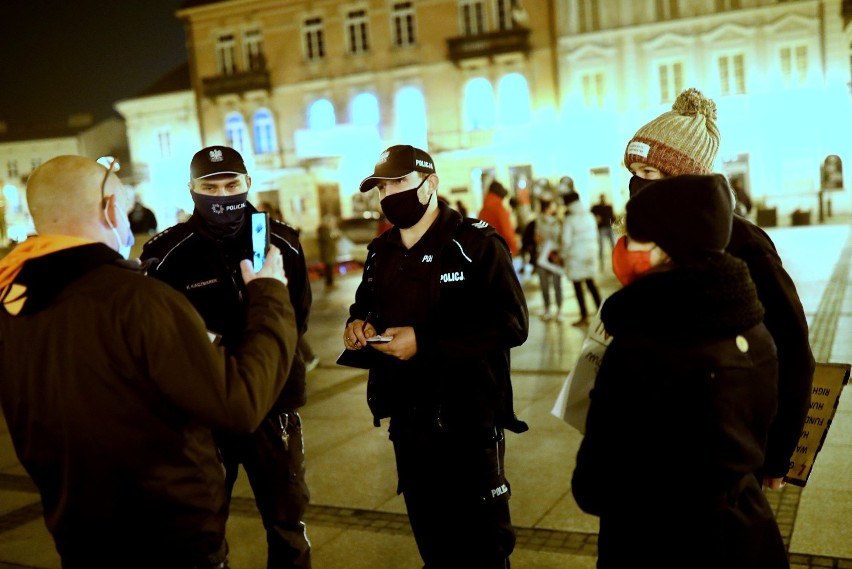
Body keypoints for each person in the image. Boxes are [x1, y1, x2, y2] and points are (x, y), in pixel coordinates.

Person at [0, 155, 297, 568]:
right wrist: (269, 296)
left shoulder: (12, 303)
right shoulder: (136, 299)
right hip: (167, 537)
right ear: (109, 208)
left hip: (78, 533)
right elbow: (239, 402)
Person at [572, 173, 789, 568]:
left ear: (668, 248)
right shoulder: (753, 328)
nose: (624, 248)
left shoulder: (642, 346)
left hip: (659, 543)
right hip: (746, 533)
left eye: (635, 237)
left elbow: (595, 486)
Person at [341, 144, 529, 568]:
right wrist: (360, 325)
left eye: (400, 182)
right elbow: (365, 305)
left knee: (484, 548)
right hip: (409, 424)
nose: (390, 194)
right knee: (434, 544)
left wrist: (425, 341)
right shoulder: (382, 251)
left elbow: (512, 325)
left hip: (469, 422)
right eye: (382, 186)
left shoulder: (476, 243)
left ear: (431, 184)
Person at [623, 87, 815, 490]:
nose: (635, 188)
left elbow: (793, 349)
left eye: (649, 176)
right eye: (632, 175)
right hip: (658, 445)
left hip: (725, 447)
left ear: (684, 180)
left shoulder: (745, 243)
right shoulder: (653, 239)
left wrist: (779, 454)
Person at [141, 146, 313, 569]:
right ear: (192, 190)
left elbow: (298, 320)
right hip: (202, 414)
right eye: (210, 187)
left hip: (273, 409)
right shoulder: (167, 255)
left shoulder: (280, 244)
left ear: (248, 183)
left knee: (287, 525)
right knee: (202, 533)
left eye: (232, 184)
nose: (223, 195)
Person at [560, 192, 601, 327]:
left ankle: (584, 316)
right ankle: (601, 313)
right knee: (591, 284)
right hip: (590, 254)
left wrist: (563, 255)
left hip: (576, 256)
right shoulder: (589, 215)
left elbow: (566, 241)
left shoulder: (570, 219)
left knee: (578, 287)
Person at [534, 194, 564, 321]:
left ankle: (559, 309)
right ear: (547, 208)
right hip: (542, 256)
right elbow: (536, 237)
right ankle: (547, 308)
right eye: (553, 205)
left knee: (557, 284)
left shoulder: (559, 221)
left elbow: (562, 239)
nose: (555, 207)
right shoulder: (539, 221)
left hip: (555, 256)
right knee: (544, 284)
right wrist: (537, 239)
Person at [477, 180, 519, 257]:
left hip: (487, 252)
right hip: (501, 252)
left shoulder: (482, 210)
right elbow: (507, 232)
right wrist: (515, 249)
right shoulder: (500, 210)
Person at [590, 193, 616, 268]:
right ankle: (601, 262)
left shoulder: (608, 207)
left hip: (608, 227)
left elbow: (612, 217)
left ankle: (615, 260)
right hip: (602, 228)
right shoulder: (597, 207)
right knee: (601, 246)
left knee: (613, 244)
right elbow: (591, 213)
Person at [317, 213, 340, 289]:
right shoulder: (323, 230)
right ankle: (329, 283)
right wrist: (336, 237)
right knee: (328, 268)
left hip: (329, 252)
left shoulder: (325, 230)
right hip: (327, 252)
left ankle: (330, 283)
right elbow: (329, 240)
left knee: (329, 268)